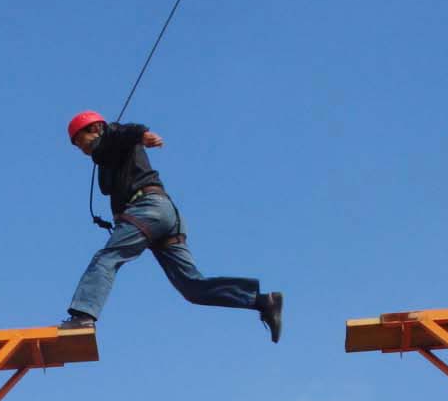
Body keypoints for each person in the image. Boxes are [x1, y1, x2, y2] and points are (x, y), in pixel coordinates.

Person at [59, 111, 282, 343]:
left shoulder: (113, 134)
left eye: (80, 141)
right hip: (164, 214)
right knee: (191, 287)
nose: (81, 149)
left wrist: (142, 135)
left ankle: (83, 317)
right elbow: (108, 160)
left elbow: (123, 131)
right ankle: (262, 301)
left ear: (95, 129)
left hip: (147, 209)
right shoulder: (109, 154)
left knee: (106, 258)